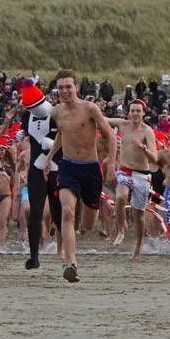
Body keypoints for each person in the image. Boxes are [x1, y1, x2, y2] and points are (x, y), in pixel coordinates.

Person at [44, 70, 117, 282]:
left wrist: (111, 162)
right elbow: (62, 134)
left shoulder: (90, 108)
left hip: (91, 169)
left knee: (88, 224)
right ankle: (71, 263)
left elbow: (110, 136)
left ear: (76, 87)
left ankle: (85, 224)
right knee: (67, 212)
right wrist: (50, 157)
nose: (65, 91)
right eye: (61, 88)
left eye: (68, 86)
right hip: (68, 167)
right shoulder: (56, 112)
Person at [107, 100, 157, 258]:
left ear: (143, 113)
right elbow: (102, 119)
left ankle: (138, 246)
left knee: (138, 214)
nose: (135, 113)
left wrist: (142, 147)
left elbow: (154, 159)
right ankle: (121, 229)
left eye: (138, 111)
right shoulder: (122, 124)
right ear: (128, 113)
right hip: (125, 169)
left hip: (142, 173)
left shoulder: (147, 131)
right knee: (120, 197)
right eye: (132, 110)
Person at [20, 84, 62, 270]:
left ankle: (64, 249)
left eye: (36, 107)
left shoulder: (56, 114)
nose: (35, 111)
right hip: (36, 168)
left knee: (59, 211)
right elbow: (28, 138)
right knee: (35, 211)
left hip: (57, 166)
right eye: (31, 108)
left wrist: (52, 144)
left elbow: (68, 138)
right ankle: (34, 256)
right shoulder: (26, 117)